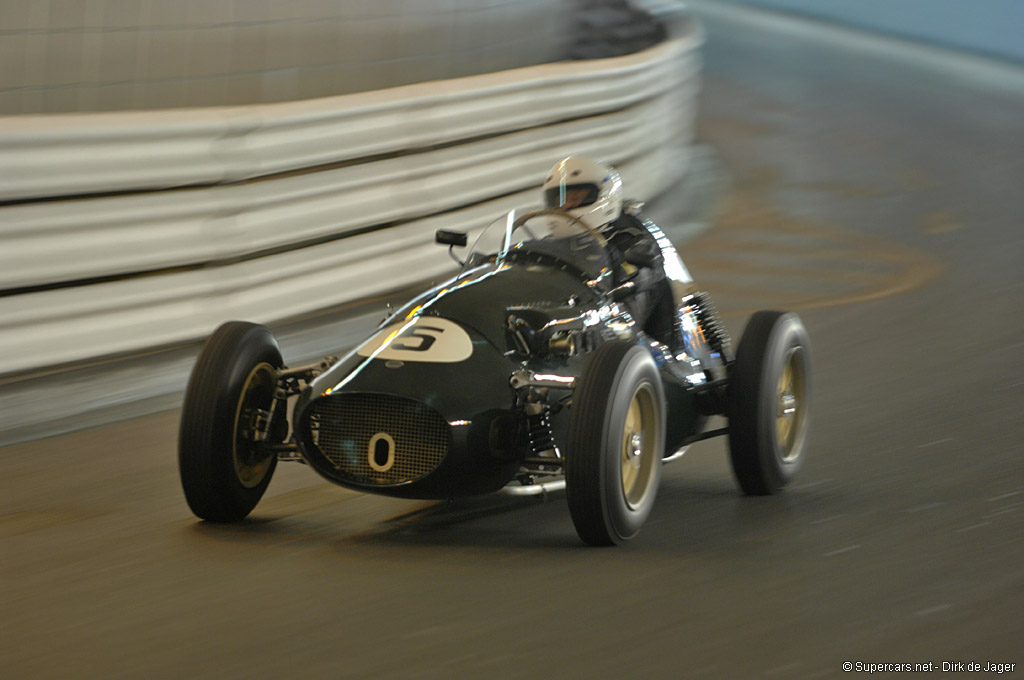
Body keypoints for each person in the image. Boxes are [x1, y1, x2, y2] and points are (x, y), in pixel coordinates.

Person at [541, 156, 668, 336]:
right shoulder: (548, 244)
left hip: (621, 336)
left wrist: (631, 280)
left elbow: (646, 275)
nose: (566, 206)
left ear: (604, 196)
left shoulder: (627, 237)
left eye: (575, 198)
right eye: (560, 200)